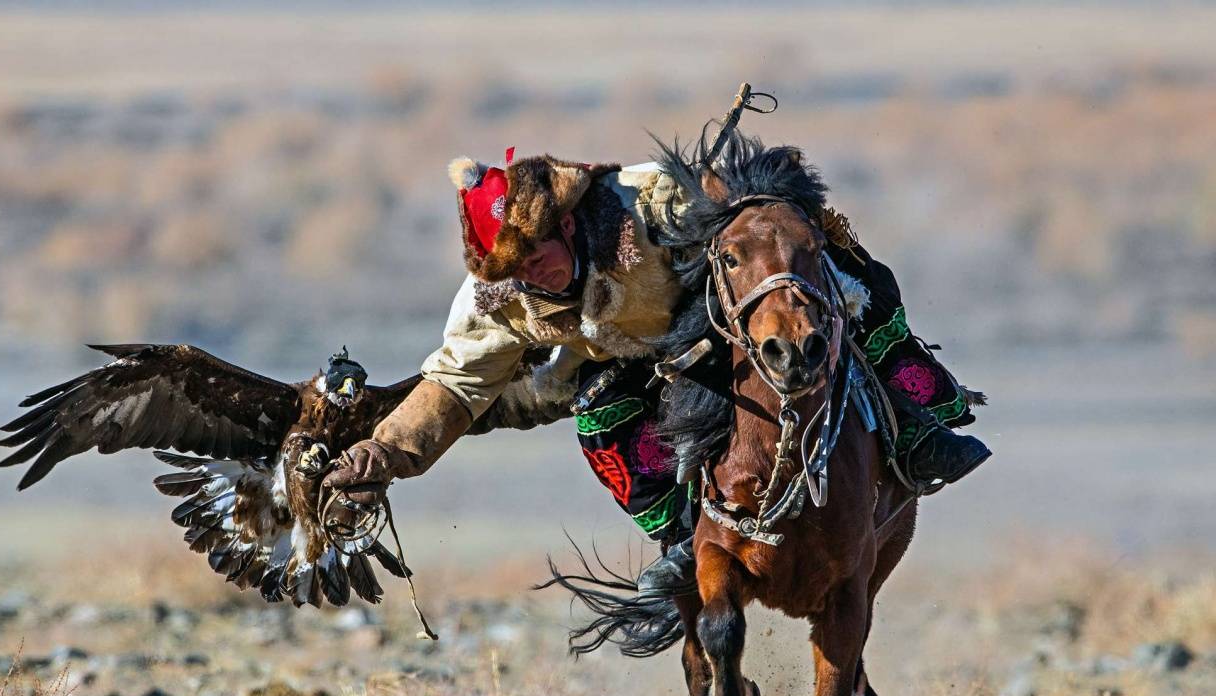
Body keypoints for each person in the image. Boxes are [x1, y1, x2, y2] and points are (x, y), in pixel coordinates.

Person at [322, 141, 989, 595]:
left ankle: (919, 430)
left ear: (566, 224)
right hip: (652, 362)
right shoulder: (497, 301)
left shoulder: (645, 202)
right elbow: (456, 384)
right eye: (515, 269)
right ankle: (681, 538)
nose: (533, 277)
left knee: (839, 295)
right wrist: (379, 456)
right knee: (599, 419)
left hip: (728, 309)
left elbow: (742, 232)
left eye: (539, 257)